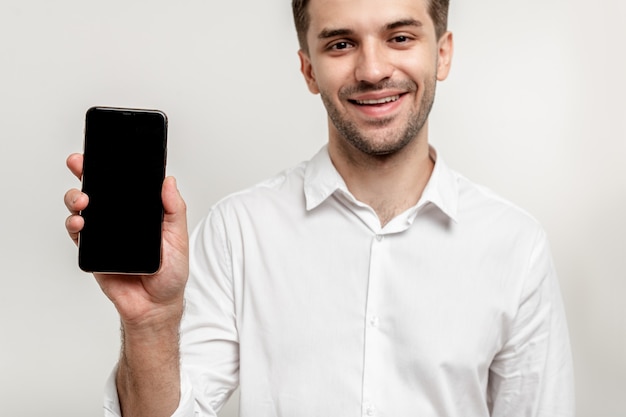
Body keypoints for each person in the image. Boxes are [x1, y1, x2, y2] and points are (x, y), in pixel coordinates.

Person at [64, 0, 575, 416]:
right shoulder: (239, 230)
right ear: (308, 68)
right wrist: (150, 322)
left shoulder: (514, 245)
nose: (373, 70)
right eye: (341, 43)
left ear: (441, 53)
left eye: (400, 37)